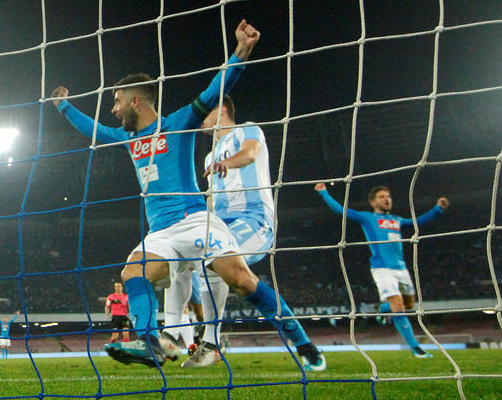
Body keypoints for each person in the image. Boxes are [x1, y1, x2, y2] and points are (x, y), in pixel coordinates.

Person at [53, 19, 303, 369]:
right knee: (136, 273)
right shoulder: (129, 139)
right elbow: (94, 130)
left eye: (117, 101)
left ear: (135, 100)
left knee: (237, 279)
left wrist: (241, 52)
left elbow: (214, 90)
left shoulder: (178, 124)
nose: (113, 109)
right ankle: (156, 341)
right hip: (162, 232)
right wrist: (64, 108)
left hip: (196, 221)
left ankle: (290, 338)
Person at [169, 95, 324, 369]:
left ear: (223, 108)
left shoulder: (248, 130)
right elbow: (212, 200)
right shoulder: (209, 155)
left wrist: (224, 164)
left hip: (254, 219)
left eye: (207, 110)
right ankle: (194, 340)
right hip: (220, 225)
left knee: (219, 264)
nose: (200, 115)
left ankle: (208, 342)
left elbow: (250, 154)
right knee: (203, 266)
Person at [314, 183, 448, 358]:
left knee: (407, 306)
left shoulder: (397, 220)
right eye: (381, 196)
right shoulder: (368, 218)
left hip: (401, 269)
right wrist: (324, 192)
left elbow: (417, 222)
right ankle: (416, 348)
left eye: (388, 196)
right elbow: (341, 211)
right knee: (399, 306)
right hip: (382, 267)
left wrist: (438, 209)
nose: (386, 199)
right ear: (373, 202)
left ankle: (384, 308)